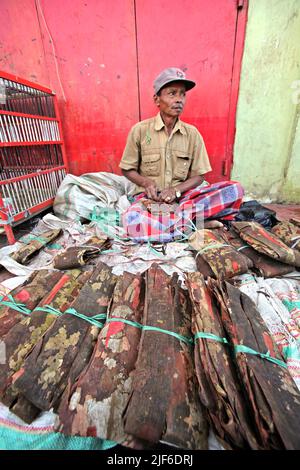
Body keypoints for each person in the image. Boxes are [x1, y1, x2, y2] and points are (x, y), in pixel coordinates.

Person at [119, 67, 244, 242]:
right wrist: (146, 183)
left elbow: (199, 176)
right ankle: (196, 224)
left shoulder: (192, 133)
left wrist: (176, 191)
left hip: (184, 200)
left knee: (234, 190)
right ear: (157, 99)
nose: (179, 100)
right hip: (149, 200)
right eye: (172, 94)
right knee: (132, 223)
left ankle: (176, 224)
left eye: (182, 94)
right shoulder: (140, 131)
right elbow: (127, 169)